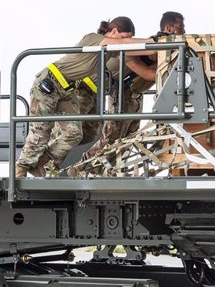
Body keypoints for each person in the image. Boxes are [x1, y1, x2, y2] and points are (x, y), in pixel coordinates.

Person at [15, 17, 154, 177]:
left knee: (75, 133)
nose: (126, 41)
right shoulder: (93, 39)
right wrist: (151, 40)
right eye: (124, 37)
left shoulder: (111, 50)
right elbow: (125, 46)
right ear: (114, 31)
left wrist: (156, 45)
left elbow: (134, 50)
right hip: (50, 82)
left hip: (68, 89)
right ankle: (21, 169)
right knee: (40, 131)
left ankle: (42, 162)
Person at [72, 12, 186, 176]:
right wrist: (177, 70)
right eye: (181, 27)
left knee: (129, 138)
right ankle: (82, 167)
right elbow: (147, 73)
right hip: (121, 95)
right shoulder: (127, 51)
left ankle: (110, 171)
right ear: (169, 28)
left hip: (134, 96)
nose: (185, 31)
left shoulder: (160, 49)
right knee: (112, 138)